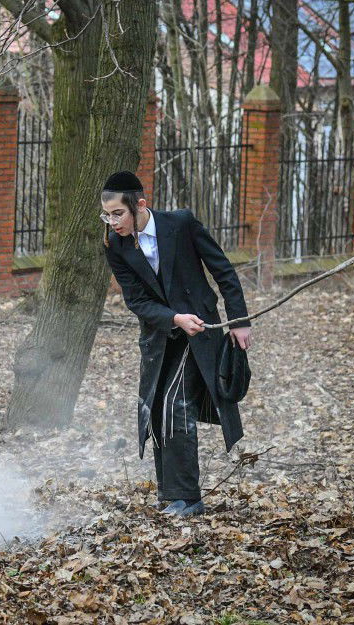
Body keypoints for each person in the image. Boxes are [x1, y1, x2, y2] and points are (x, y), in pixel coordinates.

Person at [100, 171, 252, 517]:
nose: (112, 222)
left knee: (174, 404)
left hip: (201, 330)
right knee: (155, 409)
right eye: (106, 215)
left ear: (140, 205)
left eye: (118, 214)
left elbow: (223, 270)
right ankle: (170, 494)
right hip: (160, 335)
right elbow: (137, 301)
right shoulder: (115, 245)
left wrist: (239, 320)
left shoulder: (181, 224)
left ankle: (189, 498)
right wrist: (174, 319)